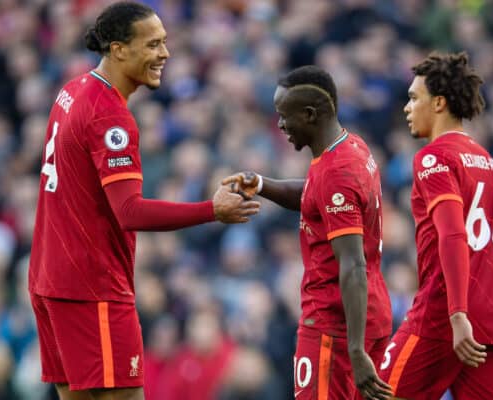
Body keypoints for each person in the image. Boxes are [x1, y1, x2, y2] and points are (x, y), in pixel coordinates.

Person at [28, 3, 259, 400]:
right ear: (119, 50)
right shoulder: (110, 116)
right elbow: (129, 211)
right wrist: (211, 210)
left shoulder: (73, 89)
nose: (165, 54)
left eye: (165, 43)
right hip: (91, 288)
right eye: (153, 44)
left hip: (50, 278)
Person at [224, 65, 393, 400]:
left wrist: (356, 351)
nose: (281, 125)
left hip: (335, 325)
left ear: (310, 114)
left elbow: (353, 265)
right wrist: (261, 184)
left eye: (285, 116)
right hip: (369, 314)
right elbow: (315, 195)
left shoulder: (336, 172)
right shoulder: (352, 148)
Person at [377, 52, 493, 400]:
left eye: (413, 98)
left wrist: (457, 315)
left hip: (445, 317)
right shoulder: (490, 163)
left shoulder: (434, 157)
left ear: (438, 103)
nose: (407, 108)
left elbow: (453, 234)